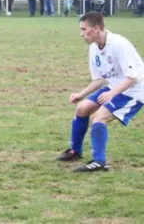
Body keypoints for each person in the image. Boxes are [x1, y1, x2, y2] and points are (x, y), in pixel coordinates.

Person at [56, 12, 144, 172]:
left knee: (98, 118)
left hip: (134, 91)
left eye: (84, 29)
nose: (81, 34)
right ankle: (75, 151)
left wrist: (111, 94)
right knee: (82, 108)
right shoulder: (94, 48)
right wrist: (81, 94)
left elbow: (132, 78)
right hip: (115, 87)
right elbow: (99, 79)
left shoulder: (119, 45)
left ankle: (100, 161)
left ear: (96, 28)